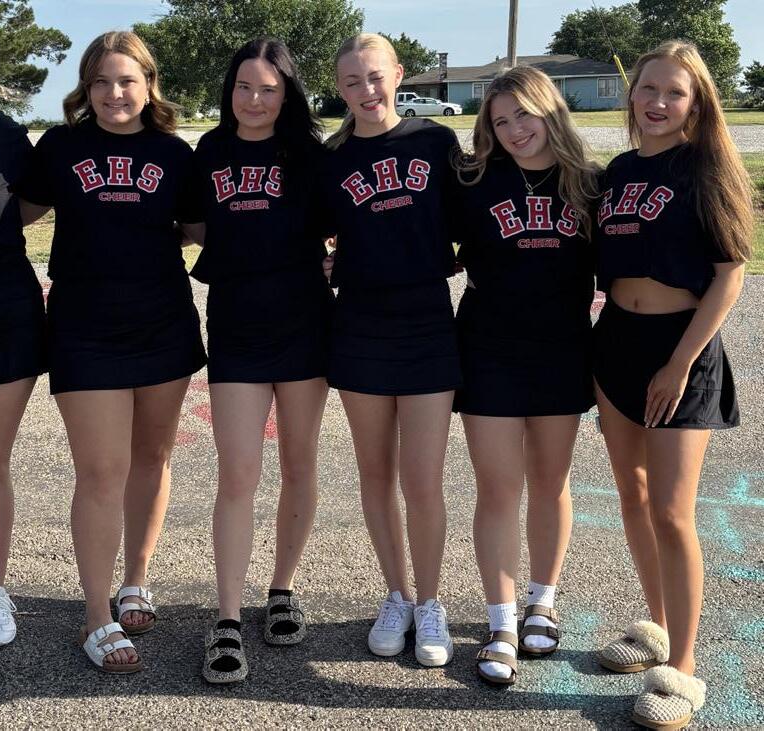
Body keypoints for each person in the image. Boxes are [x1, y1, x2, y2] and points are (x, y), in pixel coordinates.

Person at [14, 31, 206, 674]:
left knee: (152, 456)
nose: (114, 93)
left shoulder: (173, 153)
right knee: (101, 470)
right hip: (84, 327)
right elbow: (8, 213)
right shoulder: (60, 147)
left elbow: (203, 229)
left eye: (127, 80)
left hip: (162, 323)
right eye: (101, 81)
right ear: (85, 88)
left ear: (149, 85)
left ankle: (135, 582)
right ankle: (96, 616)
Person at [592, 41, 751, 729]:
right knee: (633, 496)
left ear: (696, 103)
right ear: (632, 95)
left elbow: (730, 274)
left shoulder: (707, 168)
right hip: (615, 344)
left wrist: (680, 363)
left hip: (680, 347)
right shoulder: (619, 171)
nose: (657, 102)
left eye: (674, 92)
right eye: (647, 88)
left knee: (673, 512)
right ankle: (657, 628)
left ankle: (683, 670)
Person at [184, 38, 332, 684]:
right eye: (244, 86)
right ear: (230, 90)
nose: (254, 99)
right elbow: (193, 225)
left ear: (287, 93)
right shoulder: (210, 150)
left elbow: (344, 223)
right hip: (237, 328)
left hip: (304, 325)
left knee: (299, 462)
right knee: (238, 472)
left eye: (269, 89)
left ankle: (282, 590)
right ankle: (226, 616)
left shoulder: (310, 154)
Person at [451, 66, 600, 685]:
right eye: (500, 121)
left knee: (550, 481)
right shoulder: (474, 181)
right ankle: (502, 620)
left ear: (550, 110)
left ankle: (543, 599)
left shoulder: (589, 184)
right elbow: (410, 234)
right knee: (497, 488)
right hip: (489, 348)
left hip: (562, 350)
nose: (514, 130)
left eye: (524, 114)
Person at [315, 33, 461, 667]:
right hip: (360, 326)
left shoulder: (435, 142)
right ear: (340, 89)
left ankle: (430, 602)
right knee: (375, 474)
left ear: (398, 74)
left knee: (423, 479)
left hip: (427, 324)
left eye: (375, 77)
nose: (366, 90)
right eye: (352, 81)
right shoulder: (332, 157)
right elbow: (309, 232)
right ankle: (396, 595)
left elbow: (471, 220)